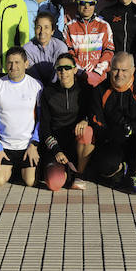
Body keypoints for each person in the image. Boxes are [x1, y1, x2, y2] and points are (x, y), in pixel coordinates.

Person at [88, 52, 136, 194]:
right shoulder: (100, 90)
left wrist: (132, 128)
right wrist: (112, 134)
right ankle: (121, 171)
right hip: (114, 139)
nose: (119, 74)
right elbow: (95, 120)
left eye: (124, 70)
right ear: (109, 69)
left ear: (133, 70)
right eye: (115, 69)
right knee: (105, 166)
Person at [0, 46, 43, 187]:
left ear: (26, 64)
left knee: (30, 182)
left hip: (27, 146)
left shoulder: (36, 86)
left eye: (17, 62)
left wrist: (34, 144)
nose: (13, 66)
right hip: (5, 147)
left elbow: (41, 119)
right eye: (10, 62)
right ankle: (12, 169)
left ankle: (19, 171)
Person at [38, 53, 93, 190]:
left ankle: (80, 175)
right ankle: (67, 174)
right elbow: (44, 127)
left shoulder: (86, 90)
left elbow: (94, 115)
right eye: (59, 68)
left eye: (67, 68)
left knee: (87, 131)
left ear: (75, 70)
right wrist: (56, 150)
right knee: (54, 184)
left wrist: (85, 120)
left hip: (76, 145)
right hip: (56, 147)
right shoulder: (48, 92)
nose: (63, 72)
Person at [63, 0, 115, 87]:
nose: (87, 7)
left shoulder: (103, 25)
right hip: (77, 78)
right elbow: (69, 53)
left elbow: (109, 52)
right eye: (83, 3)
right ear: (77, 4)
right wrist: (81, 72)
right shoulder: (69, 27)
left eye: (91, 3)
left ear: (95, 4)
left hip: (100, 79)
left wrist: (97, 72)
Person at [24, 12, 69, 85]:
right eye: (39, 27)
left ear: (52, 31)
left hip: (57, 86)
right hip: (35, 86)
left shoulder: (60, 47)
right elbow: (32, 74)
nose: (42, 31)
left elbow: (58, 73)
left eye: (46, 27)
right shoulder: (27, 49)